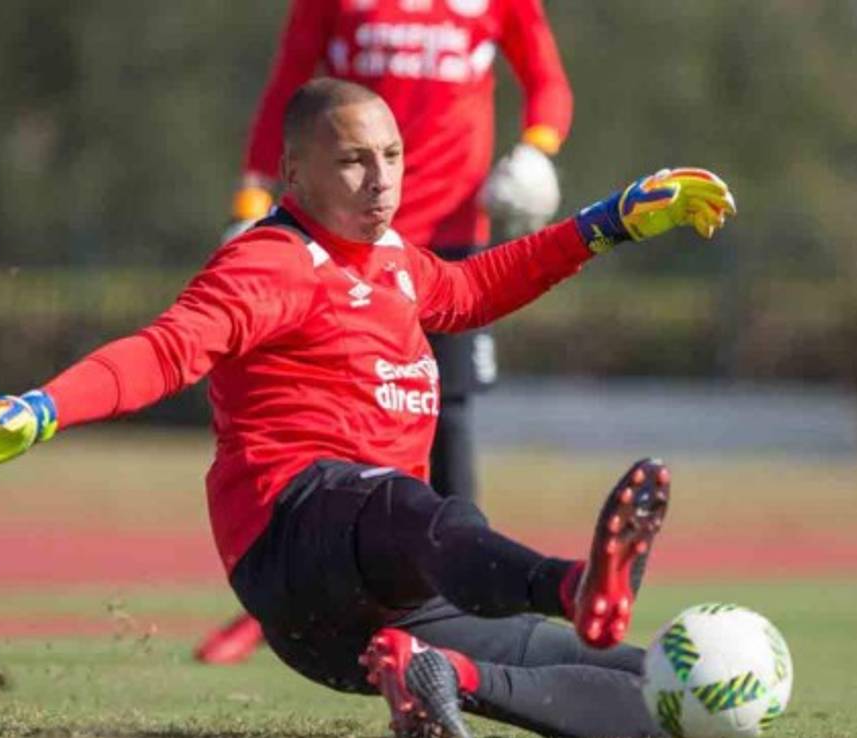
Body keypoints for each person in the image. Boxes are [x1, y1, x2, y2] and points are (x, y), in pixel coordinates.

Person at [0, 79, 735, 738]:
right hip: (293, 545)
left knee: (647, 686)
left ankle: (443, 675)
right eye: (353, 160)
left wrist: (613, 221)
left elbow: (476, 286)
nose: (381, 180)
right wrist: (44, 407)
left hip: (375, 605)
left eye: (391, 156)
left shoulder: (396, 261)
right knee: (404, 502)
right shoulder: (267, 262)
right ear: (294, 172)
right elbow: (165, 350)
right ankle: (574, 584)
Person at [198, 0, 575, 665]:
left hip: (449, 243)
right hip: (335, 239)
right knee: (310, 416)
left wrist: (539, 149)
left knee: (446, 416)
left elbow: (548, 81)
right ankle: (285, 597)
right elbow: (290, 89)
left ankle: (459, 598)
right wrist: (251, 205)